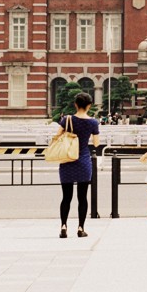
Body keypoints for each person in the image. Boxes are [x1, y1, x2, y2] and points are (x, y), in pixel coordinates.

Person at [54, 92, 100, 239]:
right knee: (82, 197)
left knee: (66, 197)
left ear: (75, 104)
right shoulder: (93, 122)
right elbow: (97, 143)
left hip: (67, 159)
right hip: (83, 160)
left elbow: (56, 136)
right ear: (89, 106)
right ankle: (80, 228)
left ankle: (63, 226)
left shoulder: (66, 119)